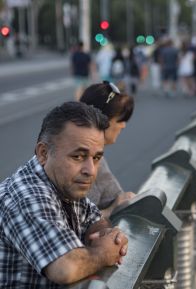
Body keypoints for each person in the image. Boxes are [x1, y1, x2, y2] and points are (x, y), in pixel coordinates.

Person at [0, 102, 128, 288]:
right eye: (78, 156)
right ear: (43, 153)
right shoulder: (24, 197)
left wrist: (107, 234)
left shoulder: (65, 183)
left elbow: (95, 219)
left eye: (96, 158)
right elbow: (65, 268)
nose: (91, 170)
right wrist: (104, 252)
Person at [80, 81, 135, 218]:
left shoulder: (94, 157)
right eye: (120, 120)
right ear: (101, 120)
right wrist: (113, 209)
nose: (123, 126)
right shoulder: (86, 163)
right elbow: (75, 223)